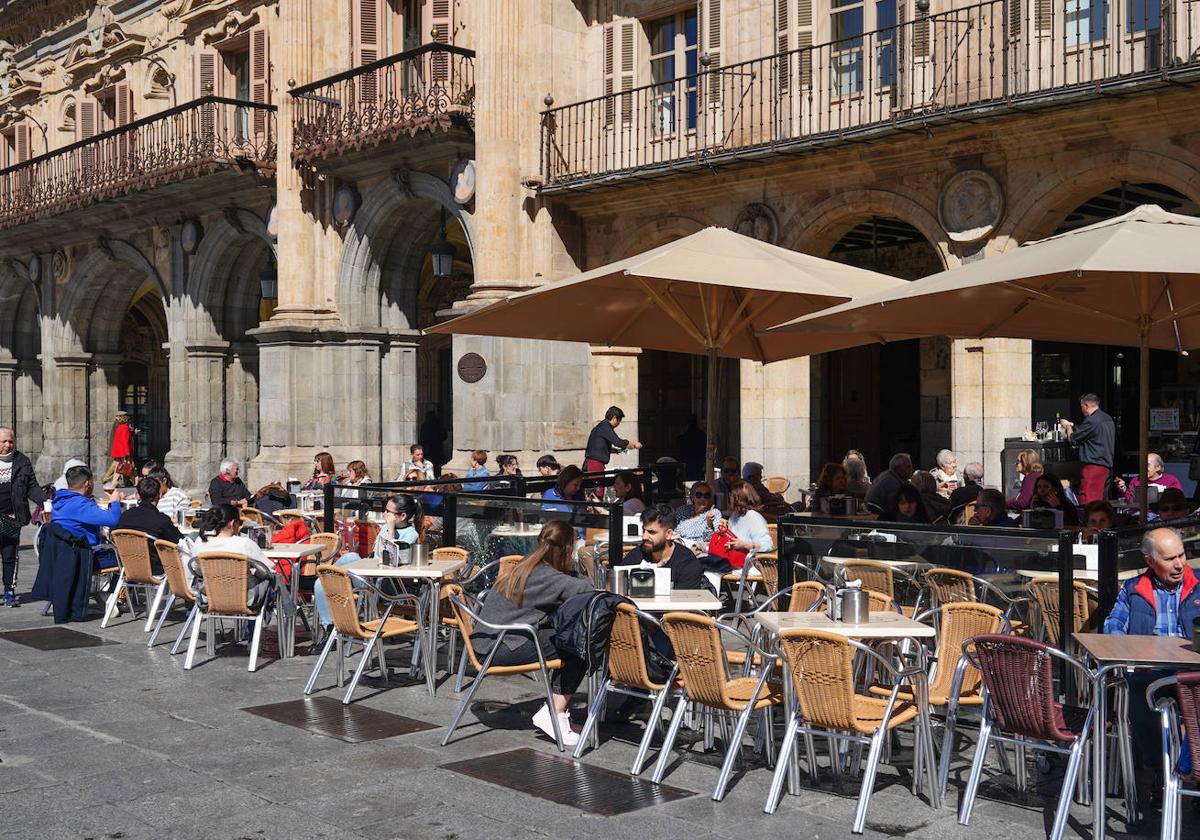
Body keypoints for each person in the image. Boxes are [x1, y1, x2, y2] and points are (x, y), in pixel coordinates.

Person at [472, 520, 593, 747]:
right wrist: (583, 566)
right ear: (568, 550)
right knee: (580, 645)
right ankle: (553, 713)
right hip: (501, 647)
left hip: (484, 640)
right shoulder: (551, 578)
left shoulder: (526, 565)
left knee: (567, 638)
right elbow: (587, 591)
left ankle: (556, 712)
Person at [1103, 527, 1199, 797]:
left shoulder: (1199, 584)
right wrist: (1124, 648)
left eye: (1181, 555)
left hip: (1193, 672)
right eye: (1170, 559)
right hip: (1151, 670)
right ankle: (1161, 769)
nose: (1179, 564)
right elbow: (1114, 624)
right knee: (1138, 693)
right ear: (1149, 561)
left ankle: (1189, 769)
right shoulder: (1134, 589)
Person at [312, 494, 424, 632]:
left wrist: (390, 530)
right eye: (385, 510)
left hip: (385, 584)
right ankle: (328, 628)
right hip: (370, 577)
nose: (385, 514)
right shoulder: (385, 528)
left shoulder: (410, 534)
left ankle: (326, 577)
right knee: (327, 578)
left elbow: (388, 559)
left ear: (402, 516)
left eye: (389, 512)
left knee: (351, 558)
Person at [192, 504, 274, 610]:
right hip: (245, 599)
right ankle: (251, 627)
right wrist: (254, 572)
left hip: (209, 597)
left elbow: (195, 569)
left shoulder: (200, 542)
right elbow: (268, 569)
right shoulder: (243, 543)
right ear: (232, 523)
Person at [0, 427, 46, 607]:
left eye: (10, 441)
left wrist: (45, 502)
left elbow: (32, 487)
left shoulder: (22, 461)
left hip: (12, 517)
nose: (8, 445)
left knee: (10, 555)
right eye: (3, 441)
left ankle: (9, 591)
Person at [616, 504, 706, 590]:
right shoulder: (636, 556)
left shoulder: (687, 563)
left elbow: (684, 602)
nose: (644, 537)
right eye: (644, 530)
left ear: (668, 534)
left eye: (651, 532)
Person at [51, 465, 121, 569]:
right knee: (128, 559)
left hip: (64, 555)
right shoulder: (81, 505)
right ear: (88, 483)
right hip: (84, 557)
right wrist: (115, 502)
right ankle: (115, 586)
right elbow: (114, 520)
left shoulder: (59, 501)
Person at [116, 477, 184, 573]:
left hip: (128, 568)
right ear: (159, 495)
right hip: (155, 570)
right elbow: (180, 542)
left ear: (138, 495)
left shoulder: (125, 516)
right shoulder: (161, 520)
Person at [1060, 393, 1116, 505]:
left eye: (1081, 407)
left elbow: (1073, 439)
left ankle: (1087, 522)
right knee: (1101, 503)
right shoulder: (1107, 418)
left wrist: (1067, 426)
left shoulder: (1092, 420)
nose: (1081, 410)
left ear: (1086, 405)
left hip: (1094, 467)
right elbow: (1089, 433)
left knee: (1089, 502)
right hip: (1107, 466)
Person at [583, 406, 641, 473]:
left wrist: (616, 451)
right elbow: (618, 442)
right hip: (595, 464)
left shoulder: (602, 426)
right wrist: (633, 444)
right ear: (614, 418)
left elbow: (600, 447)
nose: (618, 424)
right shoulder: (605, 427)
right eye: (619, 421)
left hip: (593, 462)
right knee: (598, 483)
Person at [726, 483, 773, 562]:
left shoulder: (754, 517)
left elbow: (767, 546)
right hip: (734, 560)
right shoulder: (734, 517)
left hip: (752, 563)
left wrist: (744, 545)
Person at [1116, 453, 1183, 505]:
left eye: (1147, 465)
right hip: (1138, 514)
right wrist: (1123, 489)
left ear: (1158, 467)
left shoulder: (1171, 481)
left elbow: (1177, 500)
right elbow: (1131, 500)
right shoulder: (1136, 480)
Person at [865, 453, 914, 518]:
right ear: (898, 468)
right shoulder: (893, 483)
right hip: (880, 517)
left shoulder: (886, 475)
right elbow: (895, 508)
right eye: (908, 467)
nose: (911, 470)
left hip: (874, 512)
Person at [104, 410, 138, 485]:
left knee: (119, 468)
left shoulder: (121, 427)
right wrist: (127, 453)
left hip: (119, 451)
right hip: (122, 452)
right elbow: (124, 441)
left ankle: (114, 482)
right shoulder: (123, 428)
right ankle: (136, 482)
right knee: (130, 467)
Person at [677, 414, 707, 482]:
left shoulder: (684, 437)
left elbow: (680, 450)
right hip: (698, 463)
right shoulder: (702, 435)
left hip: (688, 463)